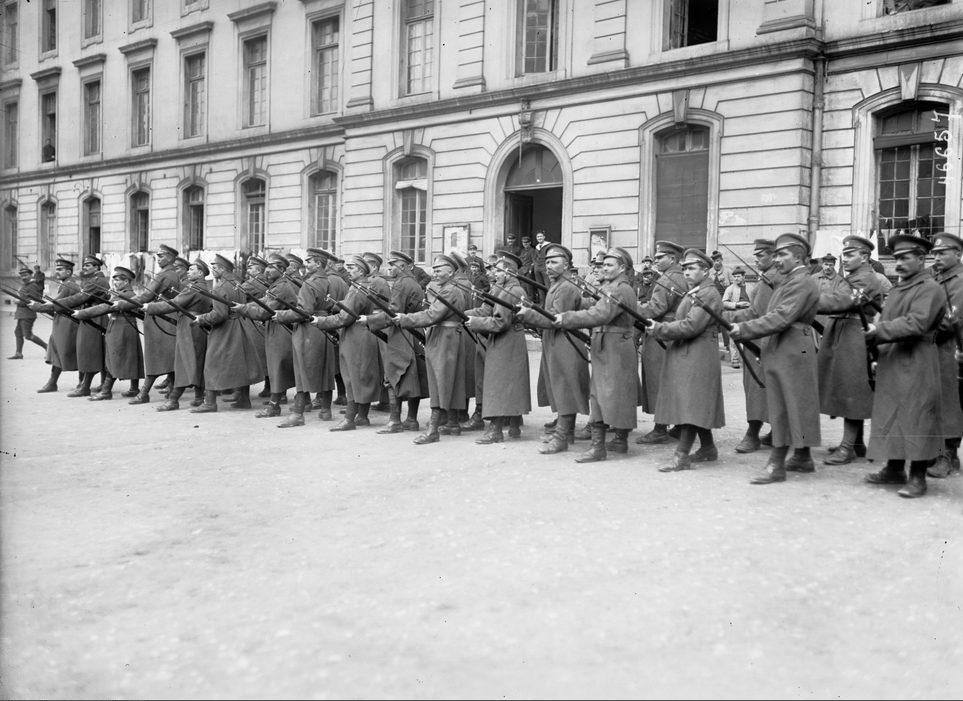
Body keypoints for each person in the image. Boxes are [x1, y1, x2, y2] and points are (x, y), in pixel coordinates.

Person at [730, 232, 822, 485]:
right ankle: (803, 457)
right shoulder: (790, 280)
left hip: (792, 347)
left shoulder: (801, 282)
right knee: (794, 402)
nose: (777, 259)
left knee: (785, 405)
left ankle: (776, 465)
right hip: (787, 345)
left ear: (798, 257)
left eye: (782, 254)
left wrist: (743, 329)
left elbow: (781, 317)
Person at [864, 234, 944, 498]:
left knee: (918, 417)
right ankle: (894, 469)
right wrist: (878, 352)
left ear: (921, 259)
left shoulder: (930, 288)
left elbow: (917, 323)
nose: (898, 263)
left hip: (918, 358)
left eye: (904, 258)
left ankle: (918, 477)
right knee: (893, 413)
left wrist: (878, 331)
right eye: (896, 258)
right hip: (893, 358)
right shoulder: (900, 288)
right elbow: (888, 320)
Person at [554, 247, 643, 462]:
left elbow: (599, 314)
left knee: (601, 395)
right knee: (619, 394)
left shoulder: (617, 289)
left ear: (622, 268)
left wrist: (566, 318)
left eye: (610, 265)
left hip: (613, 347)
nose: (605, 268)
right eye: (604, 265)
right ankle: (620, 440)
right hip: (616, 345)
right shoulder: (618, 287)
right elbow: (598, 308)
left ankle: (598, 448)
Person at [647, 248, 725, 472]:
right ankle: (708, 448)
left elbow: (691, 325)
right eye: (685, 269)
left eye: (691, 268)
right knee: (693, 401)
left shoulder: (708, 293)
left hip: (698, 354)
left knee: (691, 403)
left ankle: (681, 455)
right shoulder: (697, 291)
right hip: (689, 352)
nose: (687, 273)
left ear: (706, 270)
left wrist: (660, 328)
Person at [815, 236, 884, 465]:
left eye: (849, 254)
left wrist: (806, 301)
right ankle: (856, 443)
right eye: (843, 254)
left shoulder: (866, 278)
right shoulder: (853, 277)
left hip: (855, 335)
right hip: (845, 332)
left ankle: (847, 447)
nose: (844, 259)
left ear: (864, 257)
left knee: (852, 390)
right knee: (847, 387)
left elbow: (841, 301)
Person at [517, 244, 590, 453]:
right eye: (547, 262)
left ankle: (562, 437)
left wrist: (528, 315)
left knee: (565, 386)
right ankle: (566, 432)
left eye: (554, 262)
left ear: (566, 264)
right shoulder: (558, 284)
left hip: (565, 341)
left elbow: (555, 319)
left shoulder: (565, 287)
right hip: (557, 340)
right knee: (560, 386)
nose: (548, 266)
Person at [391, 254, 471, 445]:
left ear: (450, 272)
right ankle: (453, 423)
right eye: (434, 270)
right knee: (450, 380)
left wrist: (405, 318)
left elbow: (432, 315)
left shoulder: (449, 291)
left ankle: (433, 430)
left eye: (438, 270)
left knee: (439, 381)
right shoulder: (451, 288)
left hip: (443, 338)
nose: (434, 274)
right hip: (448, 337)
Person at [463, 251, 532, 443]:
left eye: (499, 270)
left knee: (498, 384)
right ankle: (515, 425)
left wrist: (475, 322)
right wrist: (463, 314)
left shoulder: (510, 292)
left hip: (506, 340)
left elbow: (500, 322)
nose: (494, 273)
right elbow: (487, 309)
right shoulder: (505, 288)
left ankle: (496, 430)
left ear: (509, 272)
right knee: (512, 382)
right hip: (511, 340)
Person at [310, 255, 385, 430]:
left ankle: (349, 419)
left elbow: (345, 318)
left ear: (361, 271)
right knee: (362, 375)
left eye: (352, 268)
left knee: (352, 376)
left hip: (355, 336)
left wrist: (320, 321)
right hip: (365, 334)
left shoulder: (357, 289)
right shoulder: (365, 286)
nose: (348, 271)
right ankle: (362, 416)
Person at [273, 248, 342, 427]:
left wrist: (280, 315)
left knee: (302, 370)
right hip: (326, 327)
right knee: (326, 369)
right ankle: (325, 410)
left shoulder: (309, 283)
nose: (306, 264)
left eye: (309, 261)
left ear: (318, 263)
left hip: (308, 330)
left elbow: (303, 312)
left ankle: (298, 414)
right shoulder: (332, 281)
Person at [189, 254, 264, 413]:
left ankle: (210, 403)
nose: (213, 270)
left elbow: (219, 315)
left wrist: (201, 318)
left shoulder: (220, 287)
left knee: (211, 363)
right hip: (240, 326)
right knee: (241, 363)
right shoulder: (237, 284)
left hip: (225, 330)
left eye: (215, 267)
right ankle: (244, 399)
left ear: (223, 269)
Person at [365, 250, 429, 433]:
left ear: (402, 266)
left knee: (394, 374)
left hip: (401, 333)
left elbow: (393, 312)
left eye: (392, 265)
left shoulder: (401, 283)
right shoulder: (414, 282)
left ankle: (394, 421)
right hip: (415, 330)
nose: (389, 268)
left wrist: (369, 320)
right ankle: (411, 420)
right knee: (414, 377)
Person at [729, 239, 782, 453]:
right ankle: (776, 431)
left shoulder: (771, 279)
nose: (756, 259)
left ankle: (752, 434)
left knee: (756, 387)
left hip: (760, 338)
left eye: (760, 255)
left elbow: (756, 312)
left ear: (773, 256)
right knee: (767, 387)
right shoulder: (768, 277)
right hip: (763, 336)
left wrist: (727, 317)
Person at [112, 244, 180, 404]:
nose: (158, 258)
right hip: (168, 318)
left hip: (159, 319)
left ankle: (144, 394)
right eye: (157, 256)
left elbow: (146, 296)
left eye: (161, 256)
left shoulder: (163, 275)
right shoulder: (174, 274)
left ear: (170, 258)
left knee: (154, 357)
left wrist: (123, 303)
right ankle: (172, 390)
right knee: (168, 356)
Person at [233, 253, 298, 418]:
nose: (266, 270)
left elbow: (264, 312)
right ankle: (287, 402)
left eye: (271, 267)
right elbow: (264, 300)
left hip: (282, 330)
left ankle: (274, 406)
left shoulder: (282, 287)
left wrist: (243, 309)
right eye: (267, 266)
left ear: (281, 269)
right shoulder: (277, 285)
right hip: (276, 328)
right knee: (278, 368)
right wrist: (244, 305)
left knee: (277, 368)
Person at [143, 258, 212, 411]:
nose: (188, 272)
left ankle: (173, 400)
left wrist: (150, 307)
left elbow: (174, 303)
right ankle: (199, 397)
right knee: (197, 362)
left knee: (183, 363)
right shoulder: (203, 287)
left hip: (188, 327)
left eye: (192, 270)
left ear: (200, 273)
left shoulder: (194, 288)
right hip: (197, 327)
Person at [636, 240, 686, 444]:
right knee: (674, 380)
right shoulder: (682, 276)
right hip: (676, 333)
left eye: (660, 257)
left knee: (658, 380)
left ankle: (660, 428)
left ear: (672, 258)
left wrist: (633, 307)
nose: (655, 261)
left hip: (661, 334)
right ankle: (680, 425)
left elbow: (656, 308)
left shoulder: (667, 279)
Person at [74, 266, 144, 401]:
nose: (115, 283)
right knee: (130, 357)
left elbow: (104, 307)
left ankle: (106, 391)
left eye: (118, 280)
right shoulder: (124, 294)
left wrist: (82, 313)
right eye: (114, 280)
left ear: (126, 282)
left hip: (121, 329)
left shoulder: (125, 295)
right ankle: (134, 388)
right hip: (124, 328)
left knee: (114, 358)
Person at [926, 233, 963, 478]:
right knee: (936, 397)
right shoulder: (937, 277)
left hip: (951, 346)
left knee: (950, 400)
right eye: (935, 254)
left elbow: (952, 321)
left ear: (958, 254)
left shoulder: (960, 280)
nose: (937, 258)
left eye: (942, 253)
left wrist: (921, 336)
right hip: (936, 345)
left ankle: (949, 454)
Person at [55, 255, 109, 398]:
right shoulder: (95, 280)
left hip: (94, 317)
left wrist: (56, 304)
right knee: (99, 350)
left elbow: (80, 298)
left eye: (88, 265)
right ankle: (103, 384)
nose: (84, 268)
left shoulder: (97, 281)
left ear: (96, 267)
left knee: (88, 350)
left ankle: (85, 387)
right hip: (94, 315)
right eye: (84, 265)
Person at [29, 257, 80, 392]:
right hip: (63, 323)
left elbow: (55, 304)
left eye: (60, 269)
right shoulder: (67, 284)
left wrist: (38, 307)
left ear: (68, 272)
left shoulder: (69, 285)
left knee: (64, 352)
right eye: (56, 269)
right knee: (60, 351)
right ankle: (55, 383)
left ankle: (77, 383)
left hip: (68, 324)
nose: (57, 271)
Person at [8, 263, 47, 359]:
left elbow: (35, 300)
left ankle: (47, 347)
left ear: (30, 275)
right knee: (18, 333)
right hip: (21, 313)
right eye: (22, 276)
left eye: (25, 275)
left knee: (28, 335)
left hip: (28, 314)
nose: (23, 277)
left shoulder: (33, 286)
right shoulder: (24, 286)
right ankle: (18, 353)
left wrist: (19, 301)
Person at [721, 266, 751, 368]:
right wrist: (737, 304)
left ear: (744, 277)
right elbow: (724, 303)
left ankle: (749, 360)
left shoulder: (751, 287)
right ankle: (735, 360)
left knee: (749, 337)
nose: (736, 279)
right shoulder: (730, 289)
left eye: (738, 276)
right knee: (734, 338)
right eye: (734, 277)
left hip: (749, 315)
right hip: (735, 315)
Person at [533, 231, 549, 303]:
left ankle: (548, 303)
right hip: (537, 269)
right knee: (539, 286)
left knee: (547, 285)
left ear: (544, 237)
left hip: (545, 268)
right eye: (538, 237)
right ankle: (542, 303)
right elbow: (535, 258)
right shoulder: (537, 247)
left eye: (541, 236)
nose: (539, 238)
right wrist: (535, 266)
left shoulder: (548, 246)